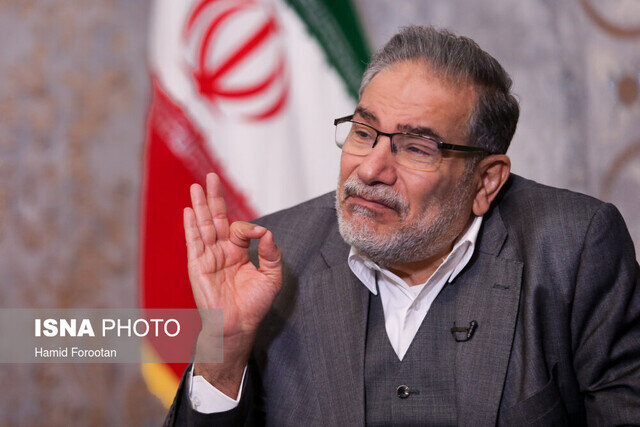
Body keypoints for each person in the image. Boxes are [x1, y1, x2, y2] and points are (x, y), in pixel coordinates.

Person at [166, 26, 640, 425]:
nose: (371, 169)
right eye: (363, 132)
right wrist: (222, 352)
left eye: (416, 148)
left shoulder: (572, 249)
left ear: (486, 181)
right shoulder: (270, 258)